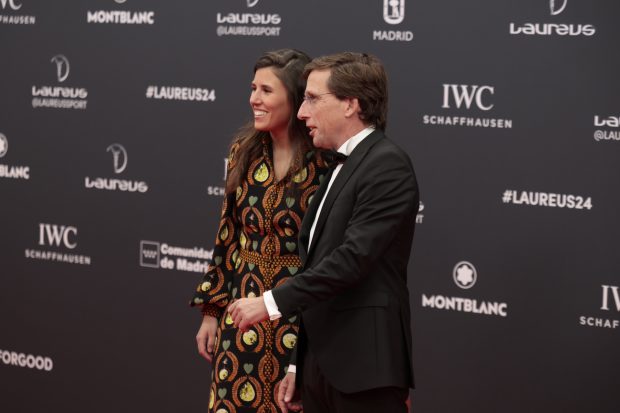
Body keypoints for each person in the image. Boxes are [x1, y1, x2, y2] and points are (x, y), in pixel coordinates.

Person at [228, 52, 419, 413]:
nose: (302, 112)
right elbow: (316, 266)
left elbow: (350, 261)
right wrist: (299, 364)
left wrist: (268, 303)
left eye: (313, 99)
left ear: (351, 104)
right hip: (322, 367)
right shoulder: (337, 165)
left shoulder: (387, 164)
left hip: (365, 369)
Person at [190, 48, 329, 413]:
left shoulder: (324, 161)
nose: (254, 99)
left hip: (298, 320)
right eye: (253, 88)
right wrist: (212, 310)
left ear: (295, 99)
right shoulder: (244, 152)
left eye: (266, 91)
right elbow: (227, 237)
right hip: (240, 316)